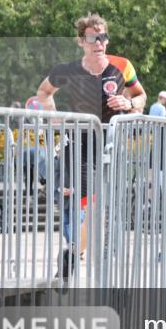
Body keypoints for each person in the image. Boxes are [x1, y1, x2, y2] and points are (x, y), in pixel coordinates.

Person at [36, 14, 137, 267]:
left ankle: (74, 251)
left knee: (98, 202)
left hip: (110, 140)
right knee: (87, 200)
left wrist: (130, 103)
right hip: (78, 142)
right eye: (93, 38)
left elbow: (140, 95)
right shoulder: (67, 70)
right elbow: (43, 92)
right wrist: (54, 118)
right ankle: (76, 249)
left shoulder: (122, 66)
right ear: (81, 41)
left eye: (103, 37)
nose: (99, 43)